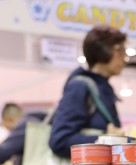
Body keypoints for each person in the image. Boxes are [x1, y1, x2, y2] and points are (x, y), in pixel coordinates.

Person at [48, 25, 126, 158]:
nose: (124, 58)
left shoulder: (104, 88)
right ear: (106, 50)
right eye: (121, 50)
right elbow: (59, 141)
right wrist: (105, 139)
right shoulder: (79, 87)